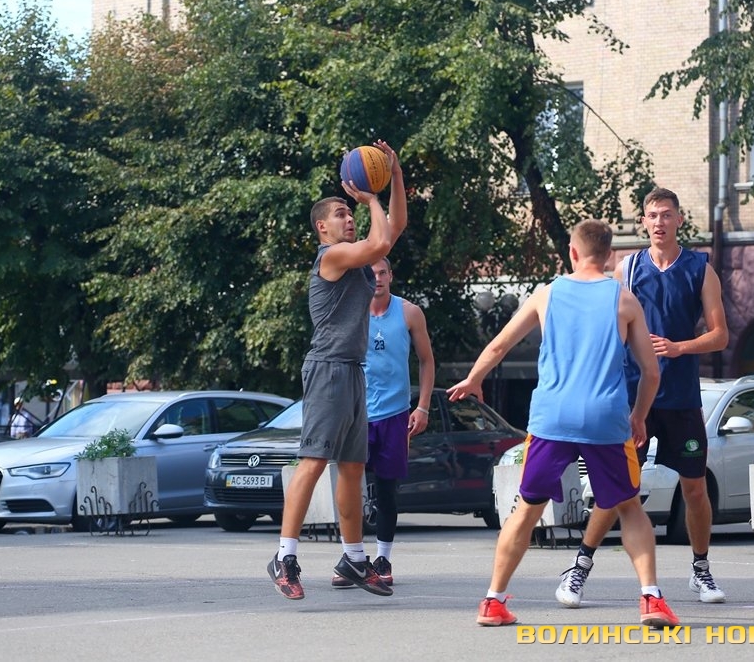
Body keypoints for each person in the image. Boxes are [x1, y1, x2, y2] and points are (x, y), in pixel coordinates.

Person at [447, 219, 678, 628]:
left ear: (572, 252)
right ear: (609, 256)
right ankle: (651, 599)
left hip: (552, 417)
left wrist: (473, 379)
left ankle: (493, 601)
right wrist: (639, 416)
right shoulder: (624, 300)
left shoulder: (547, 294)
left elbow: (500, 345)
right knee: (629, 508)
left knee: (526, 509)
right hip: (605, 418)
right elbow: (651, 371)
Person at [555, 187, 729, 609]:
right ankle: (579, 567)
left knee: (694, 489)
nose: (659, 222)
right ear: (643, 222)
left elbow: (720, 335)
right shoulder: (628, 269)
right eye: (652, 215)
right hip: (632, 400)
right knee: (615, 488)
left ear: (679, 220)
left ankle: (701, 569)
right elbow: (602, 325)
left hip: (681, 398)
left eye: (666, 214)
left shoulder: (700, 269)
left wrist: (679, 347)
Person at [267, 140, 408, 600]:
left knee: (352, 468)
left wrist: (395, 175)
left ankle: (354, 558)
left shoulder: (360, 263)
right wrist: (370, 198)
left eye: (352, 213)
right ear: (322, 228)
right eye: (341, 214)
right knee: (313, 461)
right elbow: (380, 240)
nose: (350, 219)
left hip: (352, 370)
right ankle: (284, 556)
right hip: (327, 368)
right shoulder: (330, 258)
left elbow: (394, 229)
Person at [330, 256, 435, 588]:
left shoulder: (409, 312)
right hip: (357, 413)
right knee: (350, 487)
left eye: (382, 272)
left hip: (394, 414)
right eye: (370, 273)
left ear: (390, 275)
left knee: (387, 490)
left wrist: (422, 407)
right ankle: (352, 558)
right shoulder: (352, 311)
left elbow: (426, 361)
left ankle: (383, 558)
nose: (376, 278)